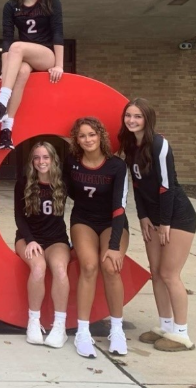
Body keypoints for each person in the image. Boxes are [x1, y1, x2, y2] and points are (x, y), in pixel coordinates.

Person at [119, 98, 196, 352]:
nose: (132, 120)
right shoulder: (130, 145)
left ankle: (182, 334)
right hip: (152, 217)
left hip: (177, 216)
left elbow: (166, 186)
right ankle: (165, 326)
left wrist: (164, 222)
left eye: (138, 116)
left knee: (169, 273)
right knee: (156, 271)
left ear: (147, 119)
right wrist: (143, 216)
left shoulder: (159, 144)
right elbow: (138, 185)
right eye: (128, 115)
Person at [65, 117, 129, 358]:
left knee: (111, 266)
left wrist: (113, 247)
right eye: (82, 136)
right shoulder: (72, 161)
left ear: (100, 135)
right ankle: (83, 331)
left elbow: (119, 207)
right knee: (89, 266)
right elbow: (66, 190)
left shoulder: (116, 166)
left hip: (112, 222)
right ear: (77, 140)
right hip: (83, 220)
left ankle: (117, 330)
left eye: (92, 134)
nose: (88, 139)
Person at [0, 0, 64, 151]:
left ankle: (0, 103)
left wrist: (59, 65)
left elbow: (58, 32)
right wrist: (5, 71)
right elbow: (6, 39)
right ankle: (6, 130)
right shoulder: (11, 6)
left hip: (45, 55)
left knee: (17, 47)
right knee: (21, 73)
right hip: (24, 58)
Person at [14, 142, 70, 348]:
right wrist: (30, 240)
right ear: (32, 161)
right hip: (28, 238)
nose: (41, 161)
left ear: (53, 159)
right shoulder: (23, 183)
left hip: (56, 239)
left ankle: (59, 326)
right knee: (38, 268)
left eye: (46, 157)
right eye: (36, 157)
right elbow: (19, 216)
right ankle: (34, 321)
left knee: (60, 269)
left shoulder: (63, 182)